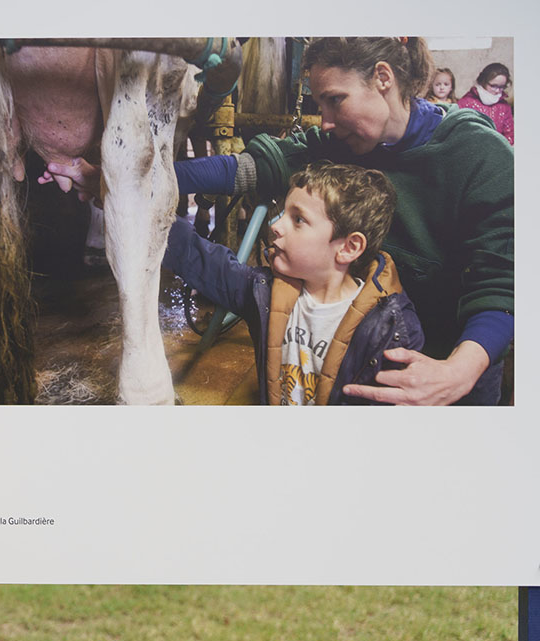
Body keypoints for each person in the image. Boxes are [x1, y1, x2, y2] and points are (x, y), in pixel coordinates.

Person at [45, 37, 513, 406]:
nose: (324, 121)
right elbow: (241, 170)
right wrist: (122, 183)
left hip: (447, 368)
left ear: (384, 78)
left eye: (335, 100)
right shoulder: (334, 146)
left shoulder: (476, 156)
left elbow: (503, 282)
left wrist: (458, 371)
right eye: (320, 104)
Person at [166, 161, 420, 405]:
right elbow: (202, 260)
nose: (275, 226)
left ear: (348, 248)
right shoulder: (265, 291)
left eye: (298, 219)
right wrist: (155, 213)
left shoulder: (391, 330)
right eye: (283, 213)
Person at [458, 62, 514, 145]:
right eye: (493, 86)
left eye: (501, 87)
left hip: (498, 150)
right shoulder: (466, 103)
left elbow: (510, 135)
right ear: (483, 81)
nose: (497, 91)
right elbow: (459, 134)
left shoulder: (504, 107)